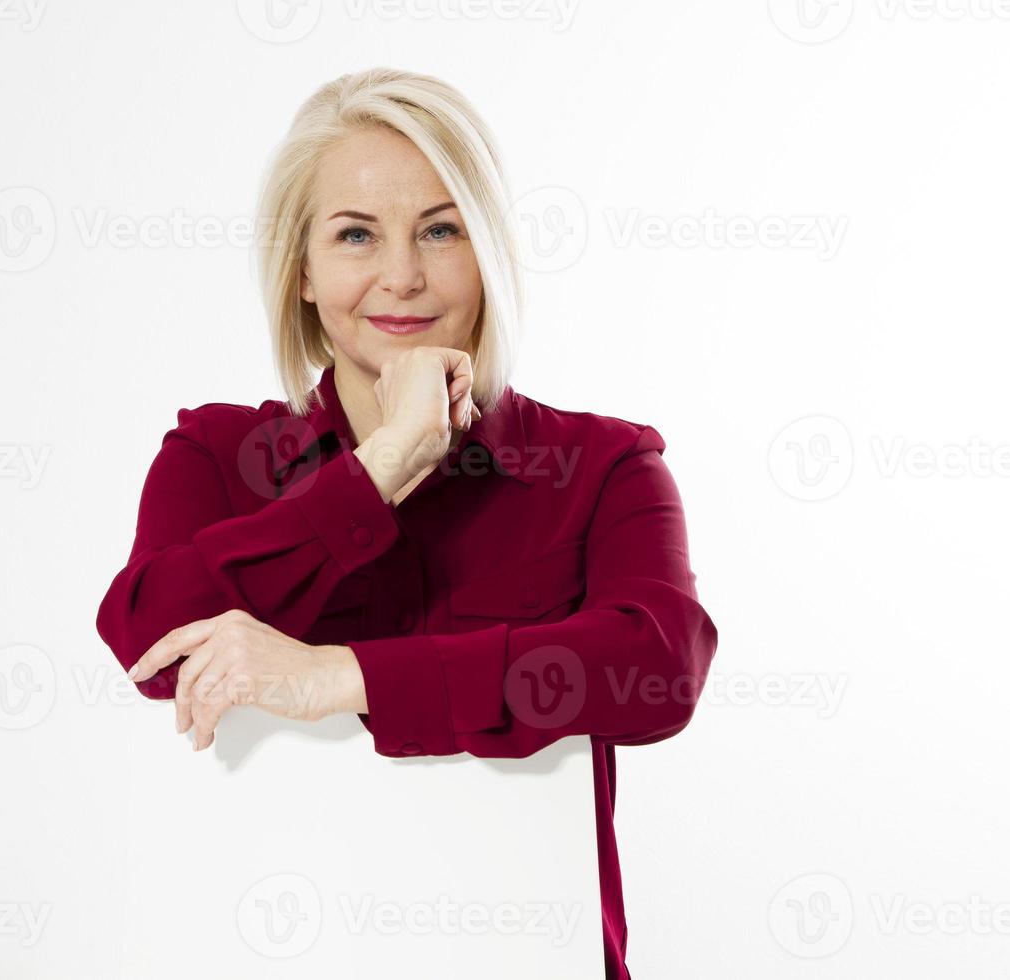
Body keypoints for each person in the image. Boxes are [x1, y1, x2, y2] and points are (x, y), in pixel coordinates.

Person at [95, 67, 718, 979]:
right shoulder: (214, 455)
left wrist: (336, 678)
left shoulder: (606, 465)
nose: (403, 276)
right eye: (356, 234)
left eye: (441, 229)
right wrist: (380, 469)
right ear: (302, 271)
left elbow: (657, 665)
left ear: (488, 252)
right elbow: (151, 638)